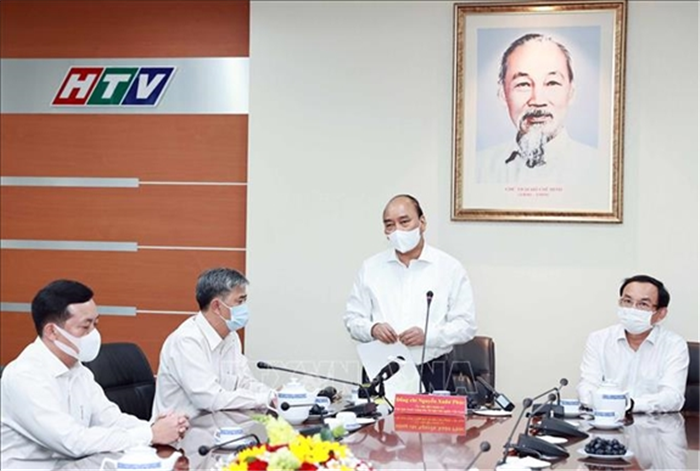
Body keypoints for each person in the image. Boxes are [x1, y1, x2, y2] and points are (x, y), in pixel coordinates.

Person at [0, 280, 189, 469]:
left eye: (95, 324)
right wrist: (150, 434)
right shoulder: (24, 376)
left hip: (76, 464)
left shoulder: (79, 370)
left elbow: (111, 419)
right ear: (52, 332)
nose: (94, 334)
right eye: (85, 327)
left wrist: (156, 427)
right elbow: (72, 441)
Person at [343, 194, 477, 392]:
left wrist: (428, 336)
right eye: (389, 225)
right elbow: (352, 319)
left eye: (404, 222)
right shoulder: (370, 268)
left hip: (432, 369)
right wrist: (373, 328)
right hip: (382, 369)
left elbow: (466, 325)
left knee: (433, 414)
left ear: (422, 223)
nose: (397, 230)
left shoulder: (449, 268)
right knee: (373, 414)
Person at [476, 33, 606, 185]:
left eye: (551, 83)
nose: (538, 101)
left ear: (571, 92)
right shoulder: (478, 168)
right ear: (503, 94)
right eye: (523, 84)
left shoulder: (600, 168)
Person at [152, 268, 273, 419]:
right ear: (217, 306)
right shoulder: (187, 341)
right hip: (182, 431)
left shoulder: (231, 337)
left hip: (219, 425)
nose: (244, 307)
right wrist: (263, 400)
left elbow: (244, 382)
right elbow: (210, 399)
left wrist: (274, 396)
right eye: (240, 301)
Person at [577, 274, 690, 413]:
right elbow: (587, 386)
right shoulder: (599, 339)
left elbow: (672, 398)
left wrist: (628, 404)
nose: (632, 309)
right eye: (627, 301)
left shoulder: (674, 345)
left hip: (653, 423)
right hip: (604, 419)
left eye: (643, 304)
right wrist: (599, 402)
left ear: (661, 313)